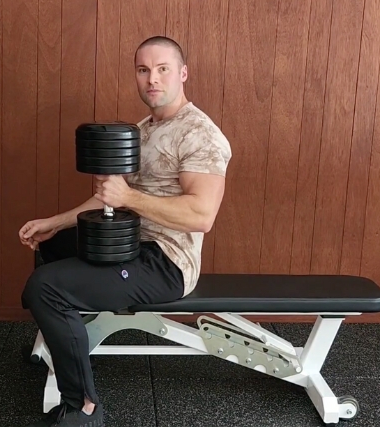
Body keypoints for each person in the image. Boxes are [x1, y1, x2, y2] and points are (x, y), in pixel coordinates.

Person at [17, 36, 232, 427]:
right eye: (143, 70)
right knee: (53, 247)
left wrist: (128, 196)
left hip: (165, 261)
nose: (153, 79)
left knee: (44, 287)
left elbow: (201, 214)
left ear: (182, 73)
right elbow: (108, 198)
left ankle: (84, 407)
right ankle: (67, 339)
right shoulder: (142, 130)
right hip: (129, 241)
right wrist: (55, 222)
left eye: (163, 69)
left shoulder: (199, 134)